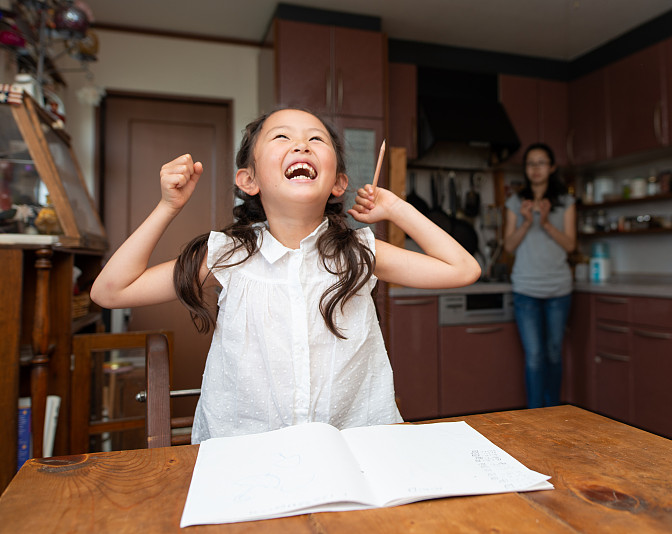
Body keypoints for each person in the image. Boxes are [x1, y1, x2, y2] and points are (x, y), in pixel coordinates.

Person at [91, 108, 481, 443]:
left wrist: (395, 207)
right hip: (245, 455)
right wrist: (168, 206)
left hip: (356, 449)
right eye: (282, 137)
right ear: (249, 180)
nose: (301, 145)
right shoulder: (228, 254)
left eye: (316, 139)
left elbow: (462, 269)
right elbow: (110, 291)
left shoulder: (360, 252)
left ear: (338, 183)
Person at [503, 143, 576, 408]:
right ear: (525, 169)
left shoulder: (565, 202)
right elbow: (509, 246)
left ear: (552, 167)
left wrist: (544, 223)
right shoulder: (516, 202)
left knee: (554, 354)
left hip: (559, 289)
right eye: (531, 163)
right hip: (526, 289)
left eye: (541, 162)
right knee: (534, 356)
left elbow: (570, 245)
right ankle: (535, 416)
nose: (535, 168)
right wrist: (526, 222)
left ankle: (554, 412)